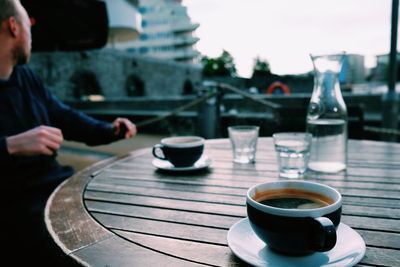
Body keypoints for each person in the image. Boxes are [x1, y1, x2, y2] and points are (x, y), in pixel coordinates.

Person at [0, 0, 137, 264]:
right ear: (14, 27)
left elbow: (64, 117)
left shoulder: (27, 76)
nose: (33, 28)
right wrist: (10, 145)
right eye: (29, 22)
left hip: (59, 191)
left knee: (126, 209)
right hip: (16, 211)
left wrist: (109, 130)